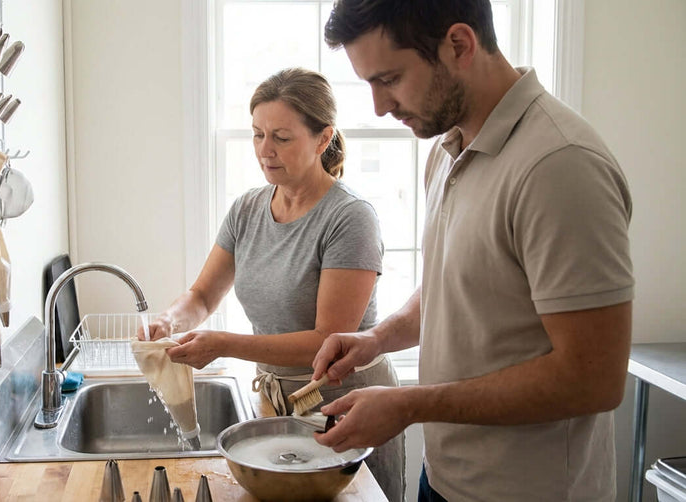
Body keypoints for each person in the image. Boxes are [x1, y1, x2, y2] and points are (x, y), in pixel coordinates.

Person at [310, 1, 634, 501]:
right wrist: (376, 338)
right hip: (443, 480)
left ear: (459, 45)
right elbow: (456, 284)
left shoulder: (561, 166)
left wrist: (410, 405)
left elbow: (593, 379)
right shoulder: (447, 149)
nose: (378, 106)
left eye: (390, 79)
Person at [144, 67, 405, 501]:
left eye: (282, 138)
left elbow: (327, 340)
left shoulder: (351, 218)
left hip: (349, 408)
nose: (265, 150)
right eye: (257, 135)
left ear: (323, 139)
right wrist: (169, 319)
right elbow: (203, 294)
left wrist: (223, 344)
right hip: (280, 405)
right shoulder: (247, 208)